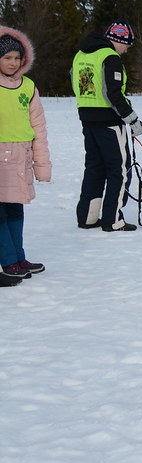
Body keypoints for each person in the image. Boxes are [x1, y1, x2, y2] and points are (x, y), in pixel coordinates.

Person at [71, 20, 142, 231]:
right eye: (127, 45)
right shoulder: (110, 57)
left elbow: (76, 84)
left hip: (88, 121)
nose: (127, 50)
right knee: (119, 171)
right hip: (109, 123)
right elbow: (113, 94)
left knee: (94, 168)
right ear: (118, 40)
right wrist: (132, 120)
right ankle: (113, 220)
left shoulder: (81, 55)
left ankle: (88, 217)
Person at [0, 27, 51, 287]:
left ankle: (18, 258)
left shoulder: (28, 87)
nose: (13, 63)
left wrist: (42, 165)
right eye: (7, 57)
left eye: (17, 58)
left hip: (21, 158)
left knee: (15, 210)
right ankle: (8, 261)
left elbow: (39, 128)